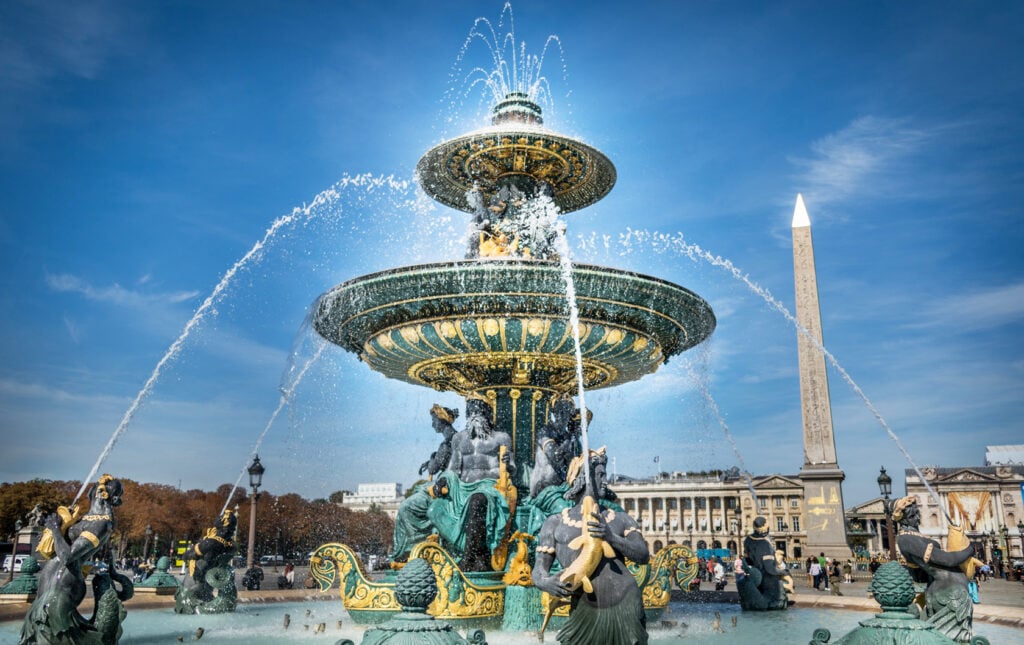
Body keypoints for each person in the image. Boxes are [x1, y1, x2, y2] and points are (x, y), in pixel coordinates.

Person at [532, 447, 650, 644]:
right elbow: (539, 569)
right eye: (600, 475)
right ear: (583, 478)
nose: (606, 480)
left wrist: (611, 537)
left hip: (625, 601)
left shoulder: (619, 519)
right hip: (584, 607)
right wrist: (545, 582)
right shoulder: (555, 522)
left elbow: (643, 555)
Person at [893, 496, 977, 642]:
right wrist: (969, 549)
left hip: (952, 593)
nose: (917, 517)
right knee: (948, 640)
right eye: (912, 514)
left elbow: (920, 574)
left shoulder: (915, 536)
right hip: (949, 595)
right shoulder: (906, 539)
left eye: (916, 513)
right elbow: (948, 560)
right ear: (904, 518)